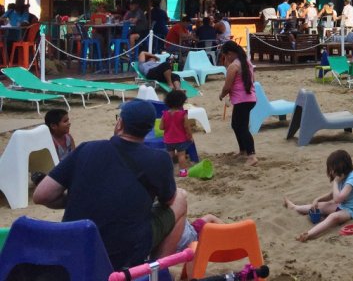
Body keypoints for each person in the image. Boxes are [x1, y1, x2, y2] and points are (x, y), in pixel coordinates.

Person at [33, 100, 188, 270]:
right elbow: (168, 200)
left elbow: (42, 195)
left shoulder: (87, 149)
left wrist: (77, 197)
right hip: (124, 253)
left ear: (120, 123)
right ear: (149, 129)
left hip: (75, 245)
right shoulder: (160, 159)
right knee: (180, 198)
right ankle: (153, 272)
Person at [283, 149, 353, 242]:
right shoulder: (342, 176)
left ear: (340, 167)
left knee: (334, 217)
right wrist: (317, 199)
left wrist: (335, 181)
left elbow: (337, 199)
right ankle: (295, 207)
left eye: (332, 169)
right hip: (343, 206)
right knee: (320, 206)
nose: (331, 172)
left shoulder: (352, 178)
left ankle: (308, 234)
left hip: (352, 210)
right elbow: (332, 195)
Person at [218, 40, 257, 167]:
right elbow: (253, 80)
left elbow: (227, 86)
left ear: (229, 54)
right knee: (236, 125)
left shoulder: (234, 66)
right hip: (249, 98)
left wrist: (222, 95)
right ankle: (243, 150)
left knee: (242, 127)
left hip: (242, 100)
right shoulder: (247, 62)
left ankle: (251, 155)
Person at [160, 90, 193, 178]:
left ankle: (168, 172)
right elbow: (187, 127)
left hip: (168, 140)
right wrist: (190, 136)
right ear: (181, 102)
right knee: (181, 155)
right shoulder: (183, 114)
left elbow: (161, 127)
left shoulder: (165, 114)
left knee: (169, 155)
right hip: (180, 140)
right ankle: (182, 172)